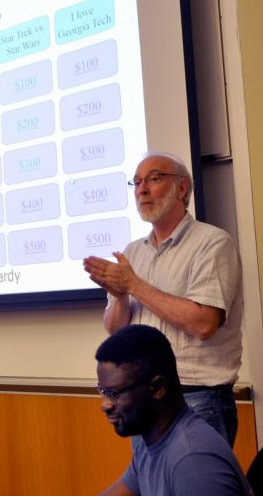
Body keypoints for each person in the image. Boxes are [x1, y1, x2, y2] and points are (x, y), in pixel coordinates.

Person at [83, 151, 243, 446]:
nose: (142, 189)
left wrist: (133, 284)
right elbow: (117, 331)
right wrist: (119, 297)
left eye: (154, 179)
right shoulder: (133, 253)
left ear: (182, 188)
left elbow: (204, 323)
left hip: (196, 397)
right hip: (143, 397)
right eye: (137, 182)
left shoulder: (212, 243)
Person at [95, 324, 252, 495]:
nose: (105, 405)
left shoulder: (194, 462)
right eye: (102, 391)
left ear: (157, 388)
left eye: (114, 393)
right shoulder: (150, 444)